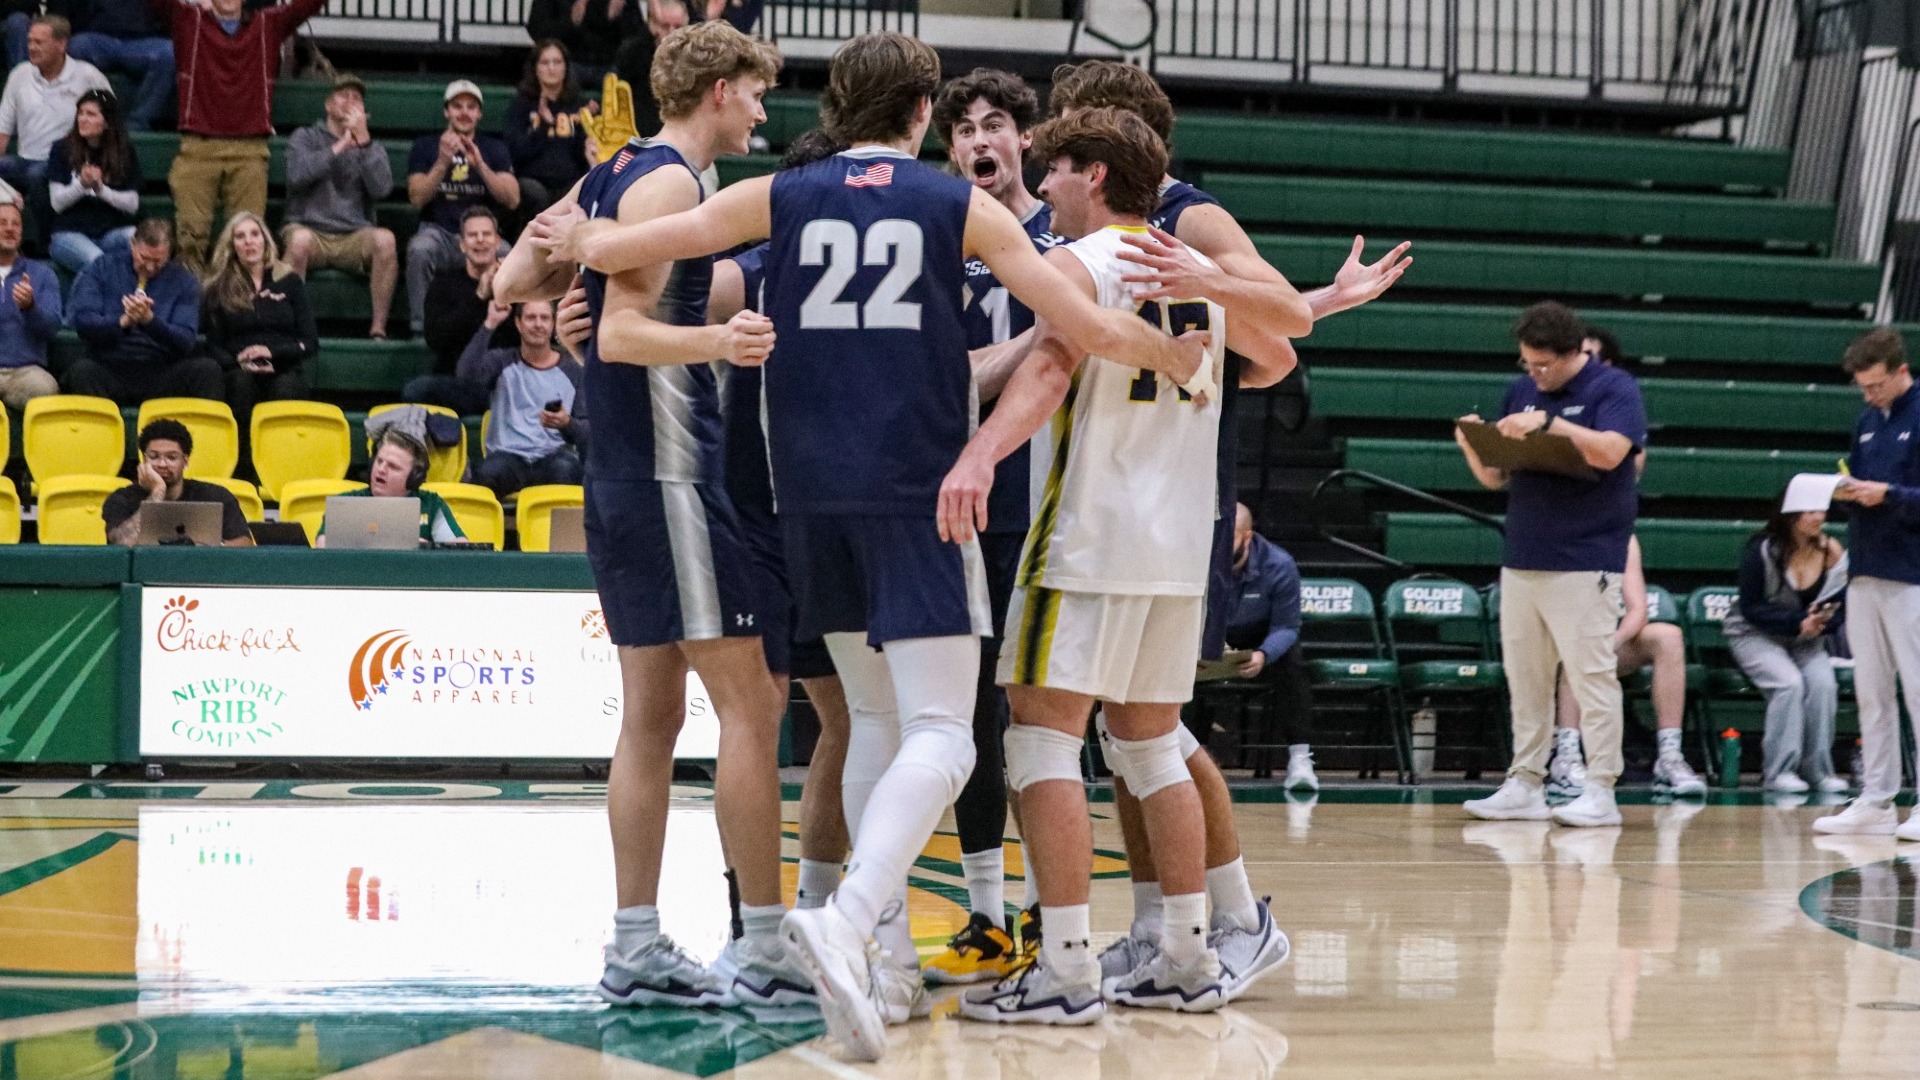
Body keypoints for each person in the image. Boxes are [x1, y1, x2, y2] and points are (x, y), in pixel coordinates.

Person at [521, 31, 1206, 1062]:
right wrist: (1170, 351)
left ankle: (881, 969)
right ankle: (845, 922)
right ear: (923, 115)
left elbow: (624, 253)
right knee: (946, 733)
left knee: (876, 725)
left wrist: (575, 243)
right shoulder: (954, 206)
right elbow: (1082, 323)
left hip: (807, 504)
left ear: (838, 108)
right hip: (915, 493)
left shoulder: (778, 193)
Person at [1039, 59, 1406, 1003]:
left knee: (1151, 731)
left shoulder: (1187, 211)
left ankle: (1236, 915)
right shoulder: (1069, 221)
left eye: (1073, 128)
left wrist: (1248, 312)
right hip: (1098, 485)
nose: (1057, 149)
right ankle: (1164, 925)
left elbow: (1277, 332)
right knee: (1125, 731)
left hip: (1163, 496)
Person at [498, 20, 812, 1017]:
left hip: (626, 476)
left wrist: (569, 278)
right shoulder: (674, 184)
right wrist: (721, 337)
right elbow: (627, 331)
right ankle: (764, 946)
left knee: (654, 716)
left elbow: (511, 282)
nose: (763, 110)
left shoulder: (613, 173)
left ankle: (636, 943)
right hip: (671, 478)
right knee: (754, 708)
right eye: (756, 91)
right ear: (719, 89)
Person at [940, 105, 1231, 1024]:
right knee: (1150, 746)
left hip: (1091, 536)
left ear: (1094, 175)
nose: (1043, 182)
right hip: (1179, 548)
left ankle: (1064, 966)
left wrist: (981, 452)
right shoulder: (1201, 275)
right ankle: (1187, 955)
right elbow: (1272, 349)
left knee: (1039, 740)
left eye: (1054, 168)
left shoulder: (1085, 261)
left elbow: (1049, 368)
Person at [918, 66, 1058, 988]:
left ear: (1026, 141)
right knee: (970, 715)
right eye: (963, 127)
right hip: (964, 502)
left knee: (1045, 716)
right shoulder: (936, 236)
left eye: (996, 124)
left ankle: (1056, 913)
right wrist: (1033, 344)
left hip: (1052, 505)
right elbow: (938, 371)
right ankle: (986, 916)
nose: (979, 139)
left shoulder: (1063, 237)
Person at [701, 128, 852, 923]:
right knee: (757, 714)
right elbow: (684, 285)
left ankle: (821, 912)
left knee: (849, 720)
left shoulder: (871, 271)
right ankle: (748, 913)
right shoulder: (758, 268)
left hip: (836, 517)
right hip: (755, 519)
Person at [1455, 300, 1647, 829]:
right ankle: (1525, 783)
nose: (1534, 374)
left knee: (1591, 676)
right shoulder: (1521, 391)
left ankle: (1601, 787)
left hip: (1586, 558)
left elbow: (1611, 452)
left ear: (1573, 354)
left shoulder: (1614, 389)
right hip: (1523, 556)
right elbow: (1496, 477)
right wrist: (1474, 445)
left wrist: (1554, 423)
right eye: (1527, 364)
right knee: (1527, 677)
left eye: (1543, 365)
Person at [1815, 329, 1920, 838]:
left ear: (1901, 371)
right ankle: (1877, 798)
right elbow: (1862, 482)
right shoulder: (1865, 422)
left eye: (1876, 385)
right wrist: (1846, 491)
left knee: (1918, 687)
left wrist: (1892, 494)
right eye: (1863, 387)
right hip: (1866, 568)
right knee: (1872, 690)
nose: (1869, 395)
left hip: (1912, 572)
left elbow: (1905, 494)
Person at [148, 0, 326, 274]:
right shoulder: (189, 20)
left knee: (248, 243)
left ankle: (241, 309)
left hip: (250, 149)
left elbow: (308, 5)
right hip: (198, 146)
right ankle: (191, 312)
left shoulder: (268, 24)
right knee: (190, 240)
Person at [1548, 535, 1708, 798]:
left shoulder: (1622, 537)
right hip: (1559, 637)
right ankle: (1566, 756)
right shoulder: (1558, 531)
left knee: (1668, 637)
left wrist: (1612, 642)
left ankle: (1669, 758)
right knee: (1578, 648)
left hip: (1605, 640)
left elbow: (1638, 611)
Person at [1725, 506, 1849, 794]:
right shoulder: (1761, 548)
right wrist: (1797, 622)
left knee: (1823, 684)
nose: (1818, 517)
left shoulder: (1831, 549)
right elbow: (1751, 607)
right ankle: (1779, 771)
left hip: (1806, 638)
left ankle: (1818, 772)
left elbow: (1842, 601)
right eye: (1809, 511)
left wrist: (1823, 624)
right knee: (1789, 683)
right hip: (1754, 633)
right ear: (1790, 515)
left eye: (1821, 511)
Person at [282, 73, 398, 341]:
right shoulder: (305, 137)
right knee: (298, 241)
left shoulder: (372, 147)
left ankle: (378, 327)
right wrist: (341, 145)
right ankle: (291, 325)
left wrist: (363, 144)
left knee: (386, 240)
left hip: (353, 234)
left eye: (356, 98)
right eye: (343, 95)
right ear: (328, 105)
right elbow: (297, 175)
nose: (350, 102)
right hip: (310, 230)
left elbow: (382, 189)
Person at [63, 216, 218, 404]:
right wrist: (122, 322)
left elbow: (186, 339)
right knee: (81, 371)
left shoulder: (183, 280)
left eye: (158, 260)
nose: (150, 267)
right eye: (144, 258)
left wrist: (150, 322)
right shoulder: (102, 268)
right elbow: (83, 321)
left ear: (169, 253)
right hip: (110, 363)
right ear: (133, 244)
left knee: (207, 370)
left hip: (161, 367)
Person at [405, 79, 518, 335]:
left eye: (471, 107)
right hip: (440, 233)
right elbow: (417, 198)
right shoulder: (425, 146)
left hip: (481, 235)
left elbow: (512, 199)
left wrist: (481, 166)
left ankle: (503, 328)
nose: (464, 112)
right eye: (457, 106)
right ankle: (422, 326)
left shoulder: (493, 148)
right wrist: (443, 162)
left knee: (507, 252)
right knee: (420, 249)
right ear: (447, 111)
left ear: (479, 114)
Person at [1217, 503, 1316, 790]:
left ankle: (1300, 759)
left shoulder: (1279, 564)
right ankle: (1184, 757)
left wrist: (1263, 654)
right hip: (1212, 636)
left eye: (1229, 536)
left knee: (1293, 664)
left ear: (1247, 537)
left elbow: (1287, 627)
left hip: (1260, 640)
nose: (1220, 544)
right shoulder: (1200, 560)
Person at [460, 298, 588, 500]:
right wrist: (490, 324)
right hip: (508, 457)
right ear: (518, 324)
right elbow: (466, 376)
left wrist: (567, 423)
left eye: (544, 318)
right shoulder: (501, 361)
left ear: (553, 323)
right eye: (531, 318)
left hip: (553, 458)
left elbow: (587, 432)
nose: (538, 324)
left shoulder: (574, 370)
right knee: (485, 474)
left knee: (568, 470)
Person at [201, 210, 317, 420]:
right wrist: (239, 361)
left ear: (265, 240)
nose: (249, 242)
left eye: (255, 234)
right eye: (240, 236)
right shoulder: (219, 286)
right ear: (232, 246)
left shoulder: (290, 282)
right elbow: (213, 345)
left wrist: (271, 352)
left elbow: (309, 342)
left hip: (284, 367)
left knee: (285, 387)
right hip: (239, 369)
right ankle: (241, 452)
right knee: (240, 385)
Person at [0, 15, 107, 222]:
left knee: (37, 175)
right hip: (24, 160)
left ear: (61, 44)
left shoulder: (87, 76)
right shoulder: (19, 75)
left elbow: (110, 118)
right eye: (29, 41)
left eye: (39, 42)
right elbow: (3, 130)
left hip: (67, 162)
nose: (32, 47)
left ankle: (45, 244)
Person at [411, 206, 506, 414]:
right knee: (416, 390)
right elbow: (436, 339)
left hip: (501, 380)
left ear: (497, 242)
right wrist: (479, 297)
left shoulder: (512, 286)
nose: (480, 240)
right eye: (473, 235)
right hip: (454, 380)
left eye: (486, 234)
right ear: (462, 245)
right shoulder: (443, 284)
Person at [102, 419, 253, 547]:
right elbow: (122, 543)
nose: (162, 464)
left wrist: (208, 549)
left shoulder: (216, 496)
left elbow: (245, 544)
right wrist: (157, 492)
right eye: (153, 457)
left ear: (185, 461)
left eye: (172, 457)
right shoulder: (122, 498)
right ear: (144, 459)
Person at [316, 428, 465, 547]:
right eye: (379, 461)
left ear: (413, 478)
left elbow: (460, 549)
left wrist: (425, 548)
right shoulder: (346, 503)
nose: (381, 469)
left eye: (393, 466)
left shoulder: (431, 505)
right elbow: (322, 544)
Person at [45, 87, 138, 276]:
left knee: (139, 241)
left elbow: (132, 204)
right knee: (97, 261)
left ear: (106, 123)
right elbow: (57, 203)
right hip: (69, 233)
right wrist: (82, 185)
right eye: (80, 113)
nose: (83, 119)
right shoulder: (61, 149)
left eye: (91, 114)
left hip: (110, 232)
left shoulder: (123, 151)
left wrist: (101, 189)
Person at [506, 40, 595, 216]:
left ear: (566, 68)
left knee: (581, 190)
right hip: (533, 181)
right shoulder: (521, 105)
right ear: (535, 68)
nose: (551, 68)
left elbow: (581, 157)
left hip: (569, 181)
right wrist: (543, 126)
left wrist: (584, 127)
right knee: (535, 194)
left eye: (557, 62)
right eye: (545, 62)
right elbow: (516, 152)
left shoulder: (578, 106)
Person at [65, 0, 174, 132]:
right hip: (99, 40)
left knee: (169, 53)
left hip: (143, 43)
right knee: (76, 46)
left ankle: (138, 123)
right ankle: (78, 118)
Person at [0, 199, 60, 409]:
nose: (9, 228)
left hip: (24, 372)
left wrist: (30, 307)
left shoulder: (42, 274)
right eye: (2, 222)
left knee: (46, 388)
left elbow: (52, 327)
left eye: (15, 224)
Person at [524, 0, 641, 85]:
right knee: (551, 70)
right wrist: (570, 22)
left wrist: (617, 17)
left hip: (610, 64)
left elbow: (636, 36)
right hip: (569, 63)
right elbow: (537, 30)